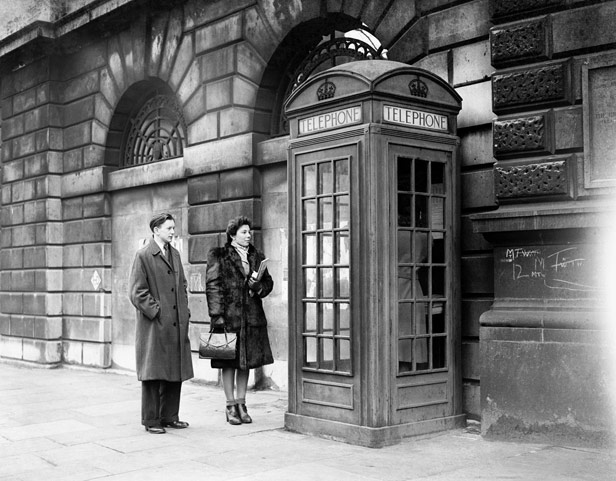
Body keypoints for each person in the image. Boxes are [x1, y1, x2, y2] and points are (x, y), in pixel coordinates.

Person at [129, 212, 194, 434]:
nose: (173, 232)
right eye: (169, 228)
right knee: (153, 373)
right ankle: (151, 420)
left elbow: (182, 285)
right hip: (154, 326)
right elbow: (137, 292)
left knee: (175, 370)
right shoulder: (143, 255)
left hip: (176, 323)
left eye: (173, 228)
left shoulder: (174, 254)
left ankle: (170, 416)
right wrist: (157, 312)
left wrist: (184, 311)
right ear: (156, 230)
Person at [205, 216, 274, 425]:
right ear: (232, 235)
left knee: (246, 363)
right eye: (244, 232)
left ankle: (242, 404)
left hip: (251, 318)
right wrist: (217, 316)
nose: (248, 235)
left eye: (249, 232)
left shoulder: (257, 256)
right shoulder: (219, 255)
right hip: (228, 318)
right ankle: (230, 405)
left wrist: (258, 287)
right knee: (228, 362)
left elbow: (268, 284)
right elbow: (212, 286)